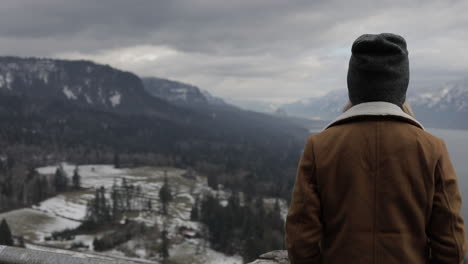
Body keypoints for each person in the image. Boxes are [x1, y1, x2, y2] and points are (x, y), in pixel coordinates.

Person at [284, 33, 468, 264]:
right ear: (401, 86)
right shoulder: (432, 149)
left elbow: (300, 240)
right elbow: (451, 245)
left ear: (354, 84)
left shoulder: (319, 146)